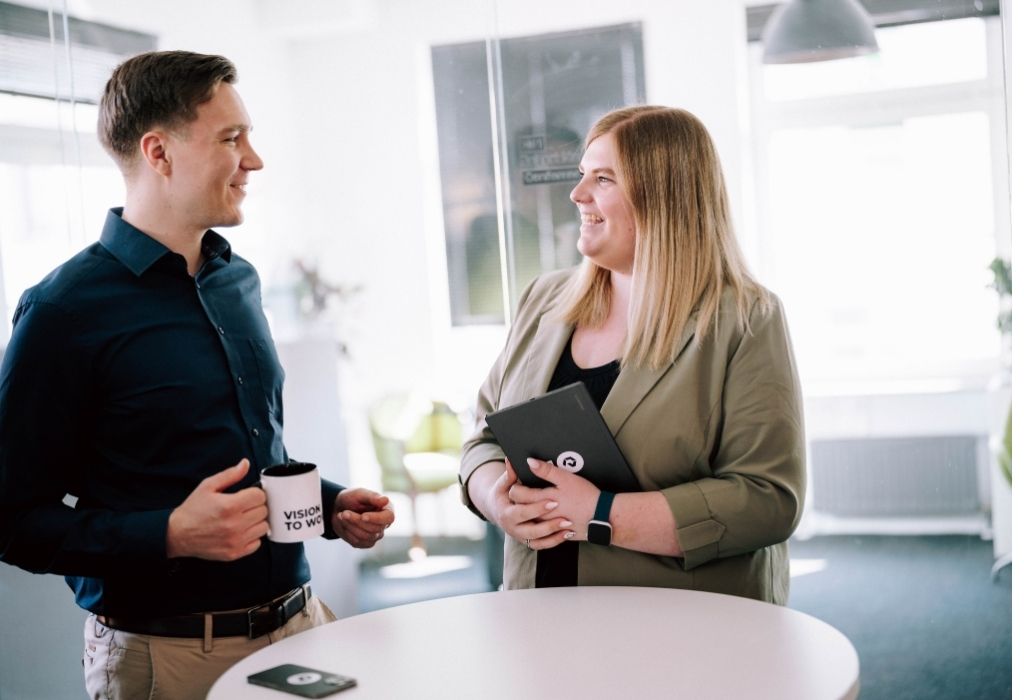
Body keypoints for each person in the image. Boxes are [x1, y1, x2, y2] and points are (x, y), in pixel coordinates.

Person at [0, 50, 394, 700]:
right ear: (158, 153)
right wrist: (169, 535)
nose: (253, 160)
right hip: (169, 661)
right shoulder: (62, 311)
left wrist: (327, 505)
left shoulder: (238, 281)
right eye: (231, 138)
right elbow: (12, 519)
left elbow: (250, 454)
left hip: (301, 629)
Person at [459, 105, 805, 603]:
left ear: (664, 196)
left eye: (603, 179)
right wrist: (498, 501)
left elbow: (767, 500)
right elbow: (484, 441)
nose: (577, 194)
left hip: (679, 621)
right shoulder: (542, 299)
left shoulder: (745, 317)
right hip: (538, 611)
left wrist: (602, 514)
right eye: (583, 174)